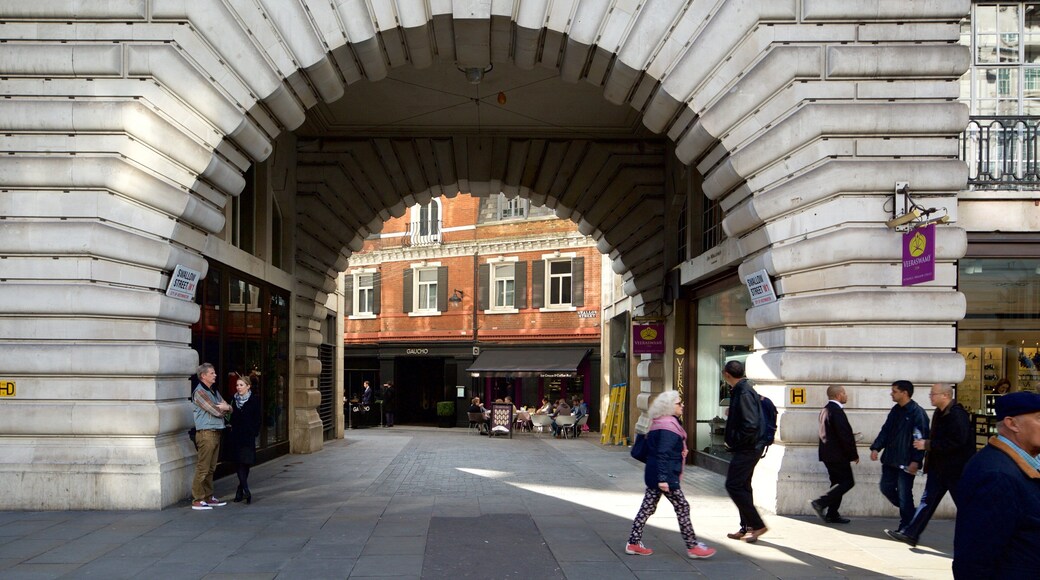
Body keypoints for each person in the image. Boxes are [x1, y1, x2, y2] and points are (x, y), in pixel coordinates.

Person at [953, 391, 1040, 578]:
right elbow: (974, 559)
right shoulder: (997, 476)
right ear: (1011, 424)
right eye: (1039, 418)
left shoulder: (1022, 464)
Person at [624, 390, 716, 559]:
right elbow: (663, 454)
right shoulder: (668, 427)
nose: (682, 405)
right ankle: (693, 546)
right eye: (679, 403)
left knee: (647, 508)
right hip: (665, 476)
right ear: (669, 406)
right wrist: (663, 479)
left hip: (655, 474)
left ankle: (633, 543)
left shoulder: (660, 423)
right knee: (682, 507)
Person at [885, 383, 974, 547]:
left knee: (966, 505)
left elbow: (959, 442)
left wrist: (928, 445)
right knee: (927, 502)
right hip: (939, 468)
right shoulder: (939, 413)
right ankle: (910, 534)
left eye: (933, 394)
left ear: (946, 395)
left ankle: (980, 536)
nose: (930, 397)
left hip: (956, 470)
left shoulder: (957, 414)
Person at [870, 380, 930, 535]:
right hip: (890, 459)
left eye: (895, 391)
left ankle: (906, 526)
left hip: (906, 462)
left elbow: (920, 439)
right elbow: (886, 430)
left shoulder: (918, 413)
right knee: (886, 487)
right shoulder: (895, 410)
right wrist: (876, 447)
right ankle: (911, 512)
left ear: (905, 393)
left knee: (904, 493)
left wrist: (916, 461)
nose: (892, 393)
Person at [721, 360, 768, 542]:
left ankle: (757, 524)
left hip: (748, 448)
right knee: (743, 486)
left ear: (726, 374)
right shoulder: (741, 390)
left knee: (733, 485)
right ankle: (747, 527)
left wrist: (737, 442)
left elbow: (751, 424)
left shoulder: (744, 392)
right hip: (748, 447)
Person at [810, 385, 859, 524]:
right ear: (838, 395)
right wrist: (853, 454)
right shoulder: (836, 411)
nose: (846, 395)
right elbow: (844, 436)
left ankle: (832, 513)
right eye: (844, 393)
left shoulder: (825, 410)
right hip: (838, 455)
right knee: (847, 482)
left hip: (829, 455)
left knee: (837, 483)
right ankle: (820, 502)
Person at [191, 362, 231, 510]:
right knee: (203, 467)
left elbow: (227, 406)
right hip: (206, 433)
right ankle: (198, 499)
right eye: (212, 373)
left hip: (216, 432)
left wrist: (227, 407)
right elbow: (217, 411)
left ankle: (208, 496)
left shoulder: (213, 391)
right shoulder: (200, 392)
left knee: (211, 467)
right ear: (203, 376)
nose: (215, 375)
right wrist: (225, 408)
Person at [229, 375, 261, 504]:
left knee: (246, 462)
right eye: (237, 385)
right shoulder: (233, 400)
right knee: (239, 462)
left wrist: (254, 432)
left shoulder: (254, 400)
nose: (238, 387)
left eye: (241, 385)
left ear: (248, 386)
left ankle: (240, 489)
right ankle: (246, 490)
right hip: (236, 436)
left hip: (248, 436)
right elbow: (230, 417)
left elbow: (258, 418)